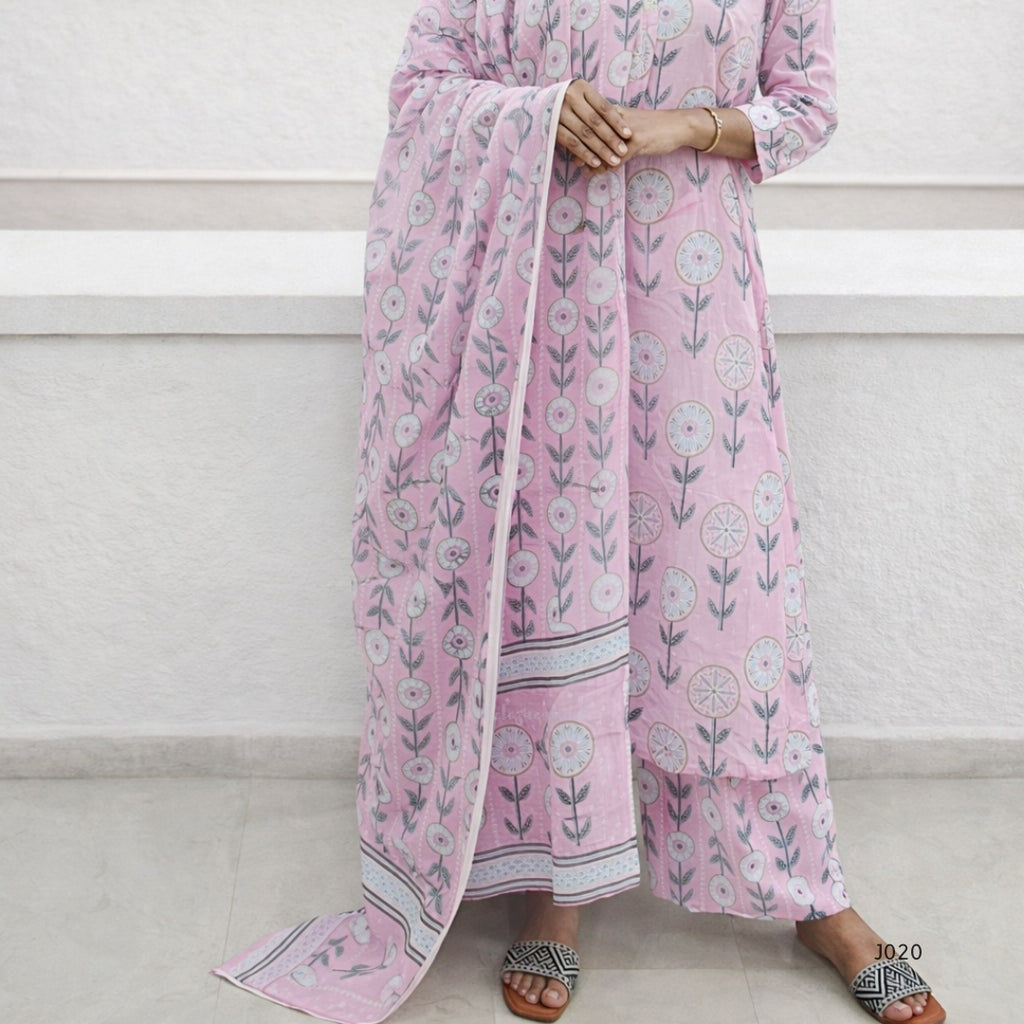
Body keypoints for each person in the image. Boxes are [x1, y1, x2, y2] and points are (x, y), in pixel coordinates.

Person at [215, 2, 944, 1022]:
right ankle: (558, 886)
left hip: (693, 280)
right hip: (537, 290)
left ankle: (808, 888)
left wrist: (686, 123)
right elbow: (422, 87)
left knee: (725, 596)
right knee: (555, 572)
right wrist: (540, 112)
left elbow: (807, 106)